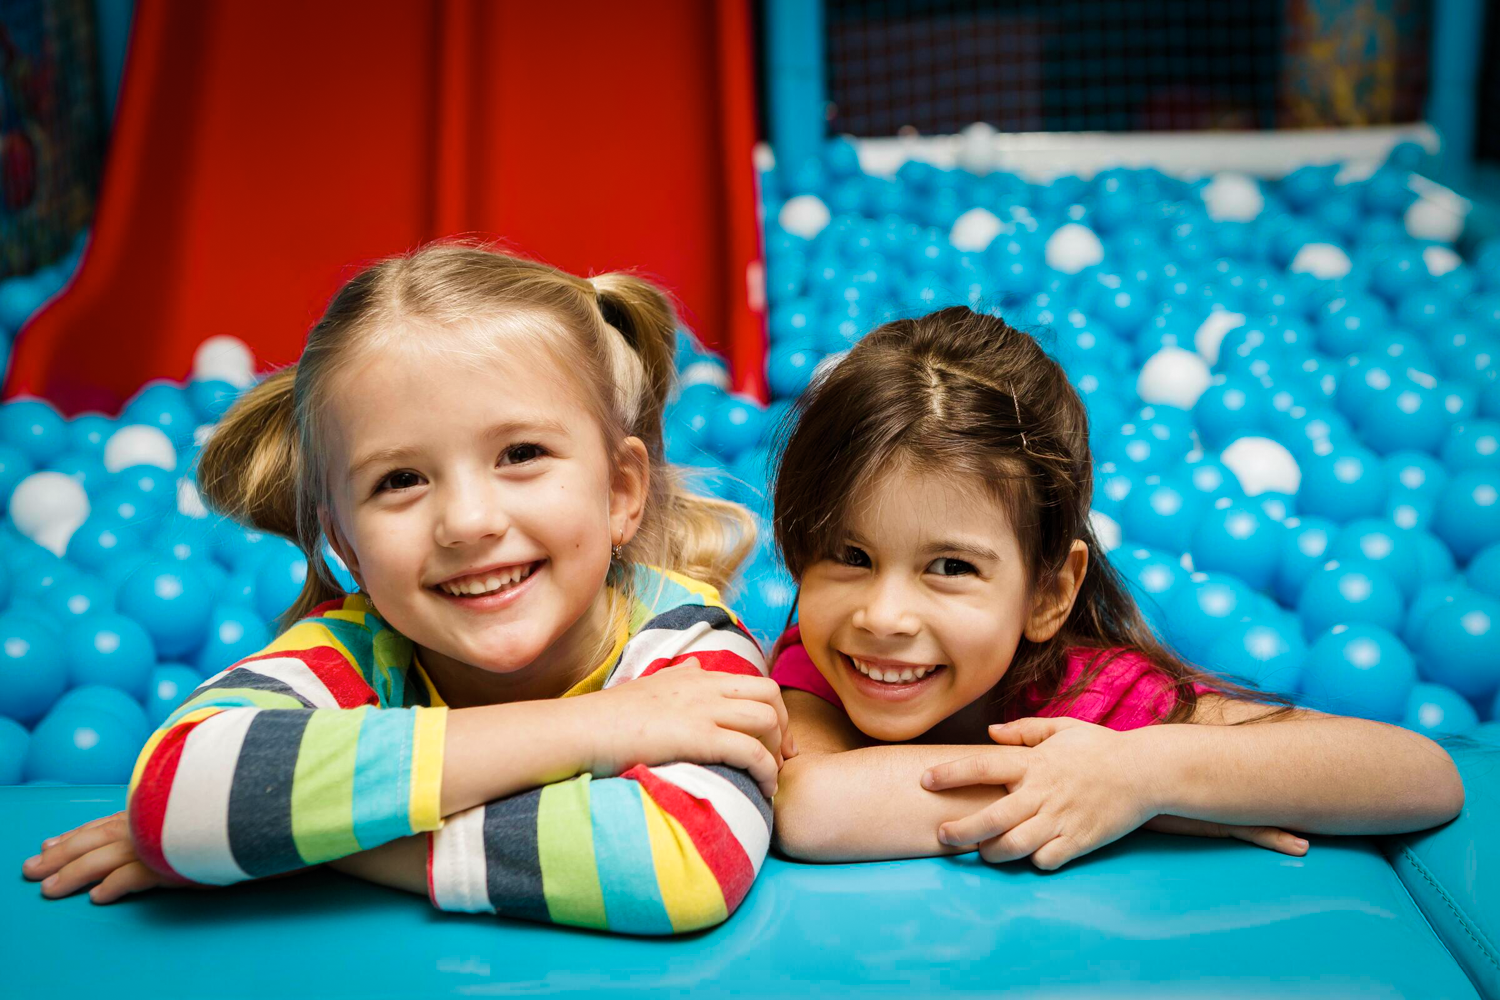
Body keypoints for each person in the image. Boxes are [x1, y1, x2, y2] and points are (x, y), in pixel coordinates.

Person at [22, 242, 788, 934]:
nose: (467, 521)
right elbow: (178, 794)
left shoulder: (687, 648)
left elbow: (679, 862)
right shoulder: (358, 647)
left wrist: (298, 842)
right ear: (345, 542)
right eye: (401, 480)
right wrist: (598, 730)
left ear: (621, 491)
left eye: (520, 453)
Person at [768, 306, 1464, 866]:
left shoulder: (1091, 697)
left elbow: (1423, 775)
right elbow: (810, 803)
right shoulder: (826, 659)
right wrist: (1095, 792)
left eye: (951, 568)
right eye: (849, 554)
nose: (884, 615)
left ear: (1048, 593)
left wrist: (1141, 778)